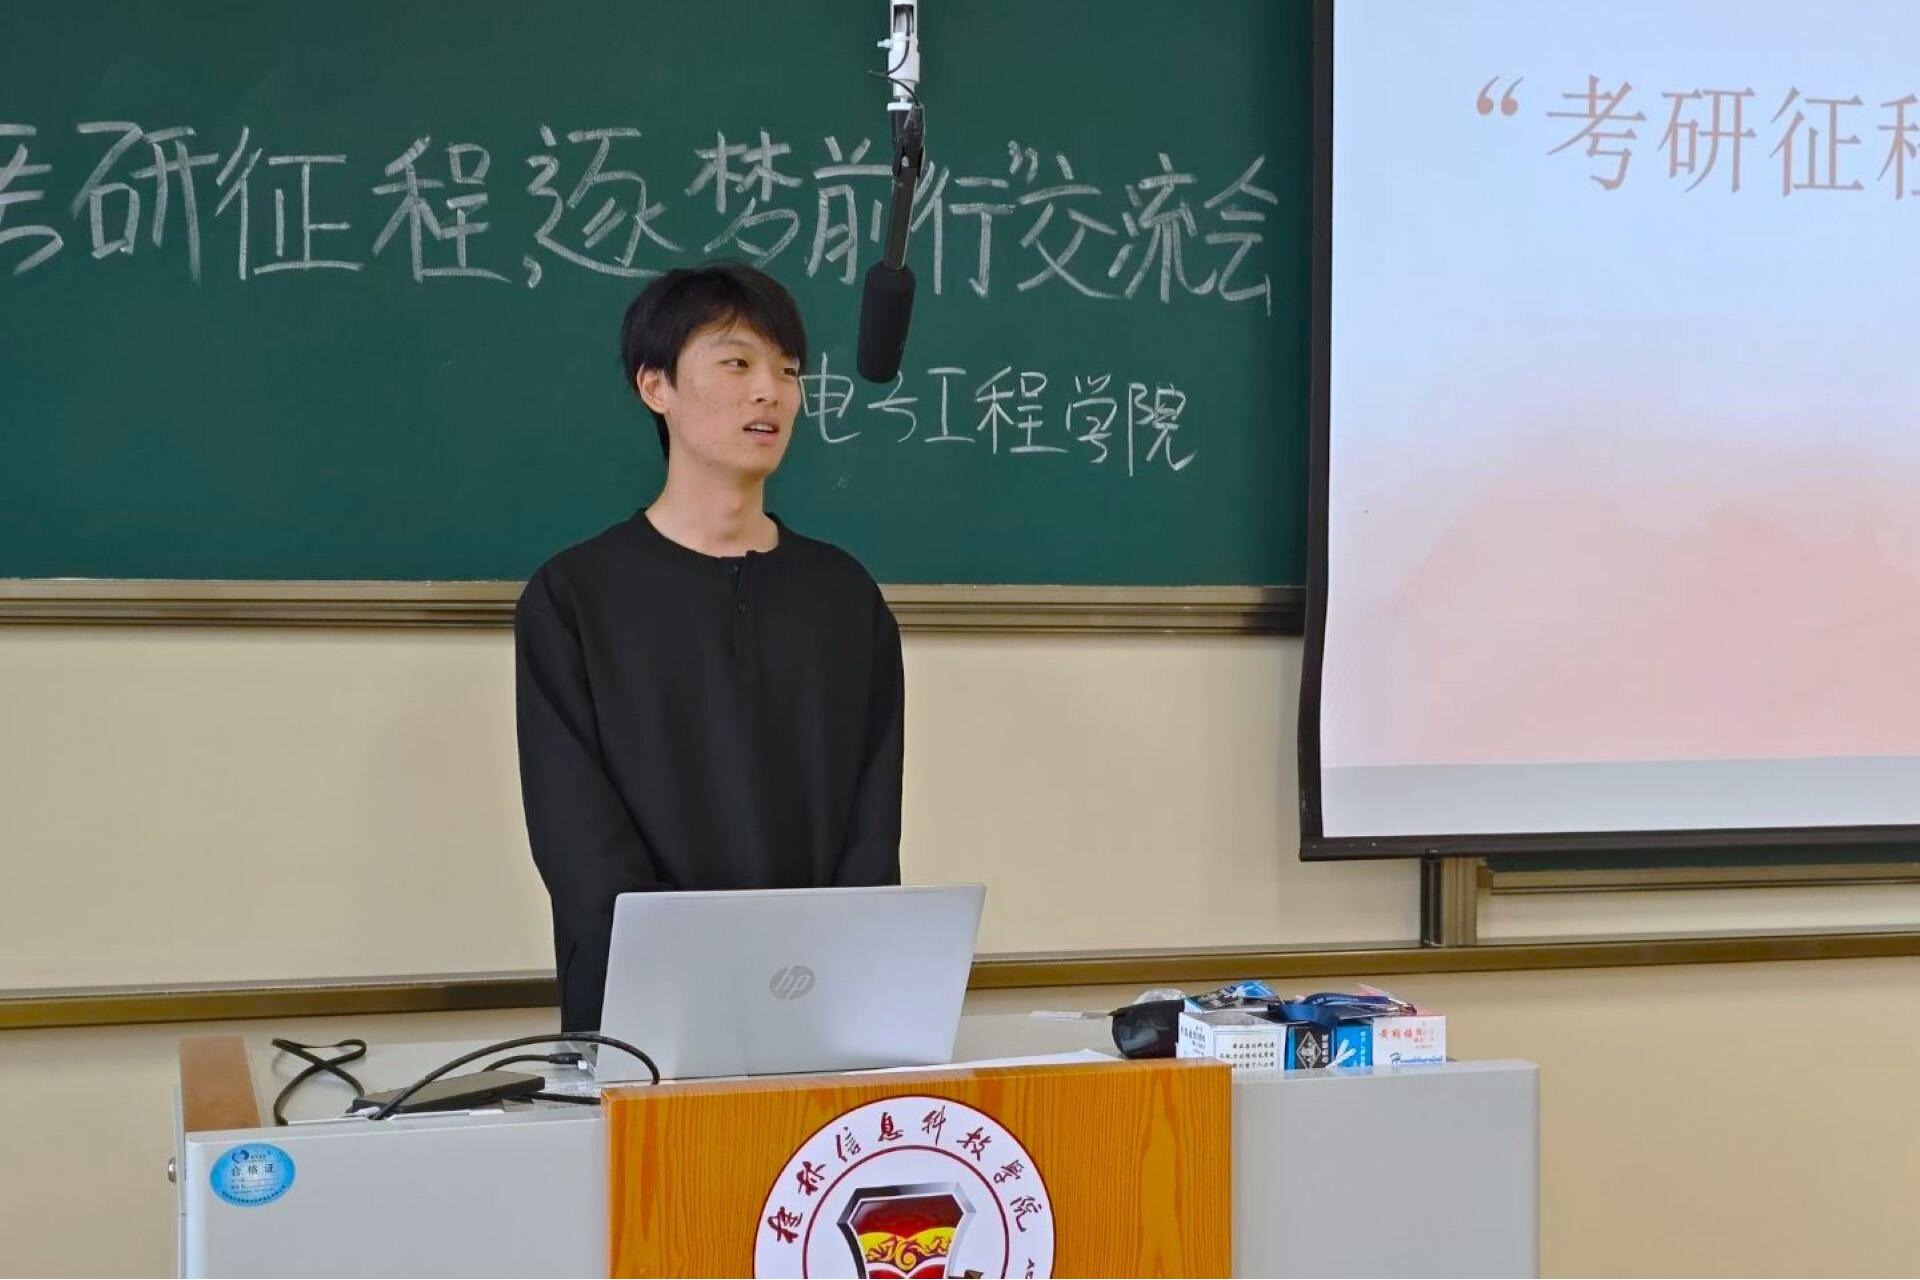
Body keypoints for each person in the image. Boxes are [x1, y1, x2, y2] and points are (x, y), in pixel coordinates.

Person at [515, 261, 904, 1031]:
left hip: (818, 1018)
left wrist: (830, 986)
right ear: (654, 386)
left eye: (787, 371)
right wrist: (696, 984)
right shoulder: (574, 597)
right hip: (641, 1028)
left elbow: (871, 835)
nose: (770, 392)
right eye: (737, 363)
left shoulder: (844, 596)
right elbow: (580, 843)